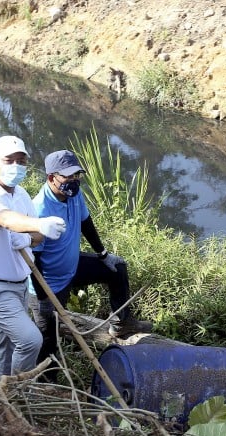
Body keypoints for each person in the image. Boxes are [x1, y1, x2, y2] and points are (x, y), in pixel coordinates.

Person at [31, 149, 151, 376]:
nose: (74, 181)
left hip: (72, 267)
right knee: (49, 340)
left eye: (77, 175)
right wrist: (43, 298)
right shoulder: (39, 209)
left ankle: (121, 324)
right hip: (49, 283)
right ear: (51, 178)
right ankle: (47, 384)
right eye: (68, 176)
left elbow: (86, 223)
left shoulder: (74, 194)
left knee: (117, 269)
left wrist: (104, 255)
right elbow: (33, 261)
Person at [0, 135, 68, 379]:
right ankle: (18, 392)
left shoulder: (21, 194)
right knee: (31, 340)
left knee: (10, 342)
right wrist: (36, 226)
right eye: (9, 160)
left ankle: (0, 386)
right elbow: (7, 219)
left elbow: (35, 236)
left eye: (21, 161)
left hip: (19, 284)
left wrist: (25, 235)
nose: (16, 167)